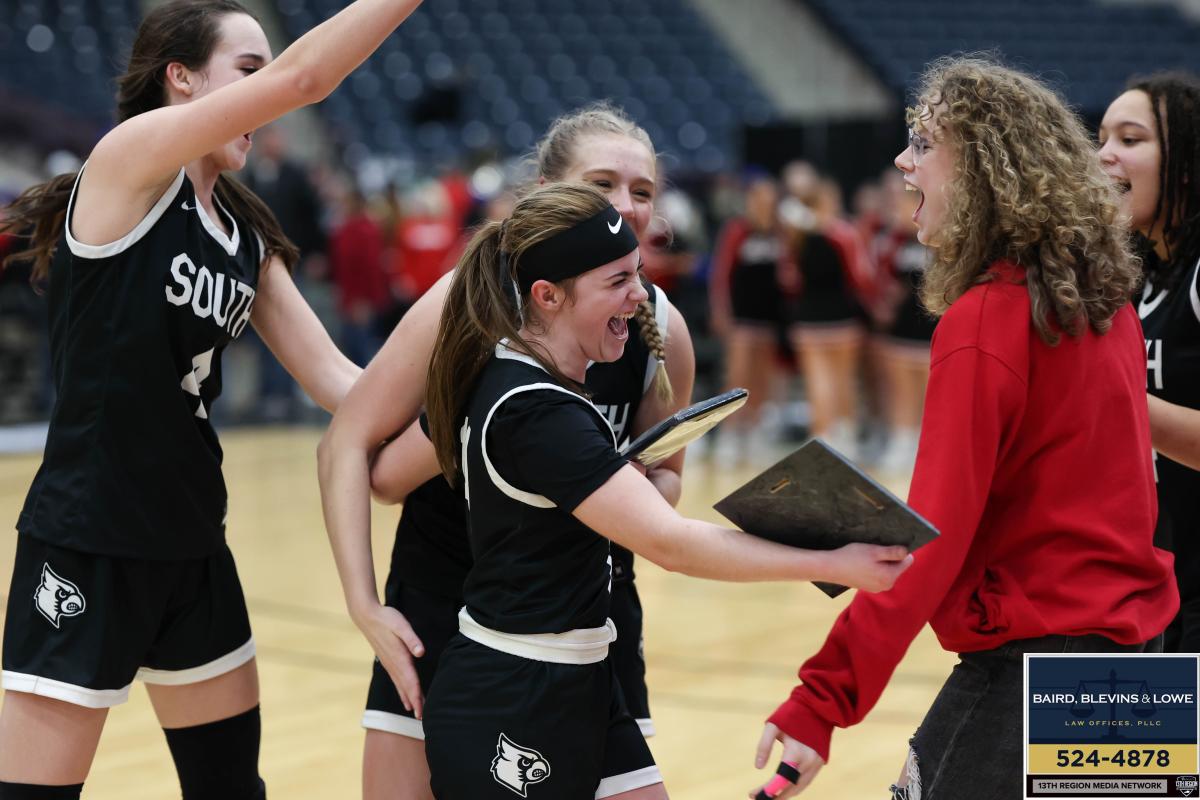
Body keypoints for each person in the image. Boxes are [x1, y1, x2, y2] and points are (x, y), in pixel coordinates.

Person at [0, 1, 423, 797]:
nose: (267, 91)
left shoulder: (244, 234)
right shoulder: (128, 164)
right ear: (182, 79)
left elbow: (340, 383)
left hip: (193, 542)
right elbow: (307, 77)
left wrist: (469, 408)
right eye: (248, 70)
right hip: (89, 538)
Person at [391, 180, 911, 799]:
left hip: (583, 678)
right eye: (617, 281)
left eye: (638, 273)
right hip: (513, 692)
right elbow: (671, 545)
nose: (640, 296)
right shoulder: (536, 411)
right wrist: (831, 562)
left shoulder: (540, 386)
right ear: (547, 296)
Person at [751, 57, 1178, 800]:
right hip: (1139, 661)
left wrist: (822, 700)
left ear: (983, 168)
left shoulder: (985, 320)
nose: (901, 160)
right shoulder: (1103, 304)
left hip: (1040, 666)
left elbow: (933, 542)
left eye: (923, 142)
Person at [318, 102, 697, 800]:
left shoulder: (660, 329)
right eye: (602, 184)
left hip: (584, 618)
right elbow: (361, 454)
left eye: (642, 191)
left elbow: (668, 481)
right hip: (448, 599)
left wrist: (625, 487)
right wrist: (363, 604)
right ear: (544, 192)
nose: (625, 205)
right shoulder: (469, 308)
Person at [1098, 71, 1200, 653]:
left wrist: (1115, 399)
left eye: (1130, 139)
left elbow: (1118, 403)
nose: (1104, 155)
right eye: (1102, 138)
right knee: (1070, 712)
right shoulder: (1140, 275)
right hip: (1158, 588)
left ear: (1186, 164)